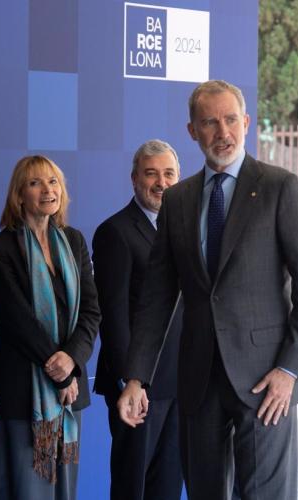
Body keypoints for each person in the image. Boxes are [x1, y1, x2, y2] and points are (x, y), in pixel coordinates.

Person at [117, 80, 298, 500]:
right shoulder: (177, 199)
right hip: (198, 380)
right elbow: (156, 298)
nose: (222, 132)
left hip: (267, 382)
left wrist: (290, 370)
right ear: (192, 130)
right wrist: (136, 377)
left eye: (231, 120)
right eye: (210, 122)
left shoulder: (281, 187)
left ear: (246, 123)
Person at [0, 155, 100, 500]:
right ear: (19, 196)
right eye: (35, 183)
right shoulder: (1, 247)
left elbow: (91, 311)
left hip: (69, 393)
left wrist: (72, 360)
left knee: (64, 489)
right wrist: (59, 373)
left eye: (53, 181)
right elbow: (14, 320)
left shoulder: (74, 241)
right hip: (23, 391)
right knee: (27, 489)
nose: (48, 190)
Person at [92, 139, 183, 500]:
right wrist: (133, 380)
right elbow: (112, 316)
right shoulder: (115, 232)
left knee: (167, 488)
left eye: (169, 174)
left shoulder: (186, 229)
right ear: (134, 179)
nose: (161, 183)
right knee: (133, 486)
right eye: (151, 174)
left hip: (180, 383)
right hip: (138, 388)